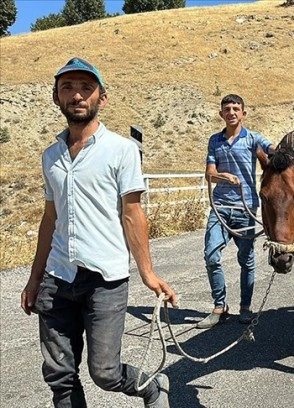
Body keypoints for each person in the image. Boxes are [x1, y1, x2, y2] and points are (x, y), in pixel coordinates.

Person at [20, 57, 178, 408]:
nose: (77, 95)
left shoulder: (121, 150)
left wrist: (148, 273)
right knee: (60, 377)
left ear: (101, 99)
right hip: (57, 278)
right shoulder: (51, 157)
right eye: (68, 87)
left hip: (105, 279)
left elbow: (132, 213)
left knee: (105, 372)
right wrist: (34, 279)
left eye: (86, 88)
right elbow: (50, 219)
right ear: (56, 97)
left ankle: (151, 386)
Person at [197, 94, 275, 329]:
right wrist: (224, 176)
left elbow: (274, 150)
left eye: (236, 108)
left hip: (246, 208)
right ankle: (220, 306)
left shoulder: (252, 139)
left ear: (243, 113)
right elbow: (209, 173)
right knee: (211, 255)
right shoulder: (215, 141)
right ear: (221, 114)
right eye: (227, 109)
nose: (231, 112)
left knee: (246, 260)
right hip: (220, 207)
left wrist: (281, 151)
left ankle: (245, 308)